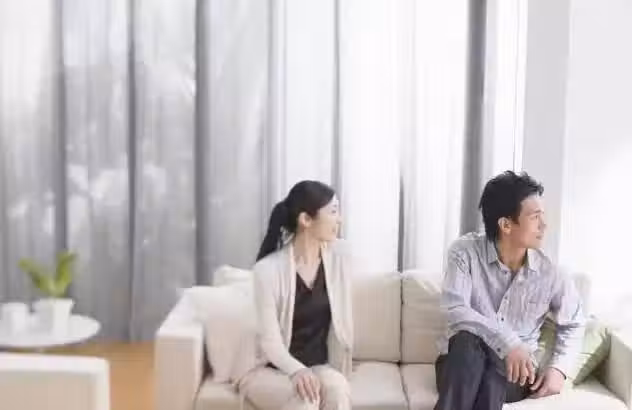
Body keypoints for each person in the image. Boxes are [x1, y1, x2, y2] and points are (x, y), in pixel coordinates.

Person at [434, 171, 585, 410]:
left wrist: (559, 369)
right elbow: (455, 309)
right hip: (459, 363)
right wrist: (507, 342)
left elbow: (574, 322)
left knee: (495, 371)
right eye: (535, 217)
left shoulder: (550, 272)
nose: (544, 225)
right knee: (466, 341)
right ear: (506, 225)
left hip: (514, 373)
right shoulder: (464, 253)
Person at [238, 180, 353, 410]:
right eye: (333, 212)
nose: (339, 219)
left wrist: (311, 371)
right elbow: (270, 342)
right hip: (270, 369)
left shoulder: (339, 259)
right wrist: (297, 371)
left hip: (318, 366)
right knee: (306, 400)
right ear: (306, 220)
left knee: (338, 391)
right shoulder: (267, 271)